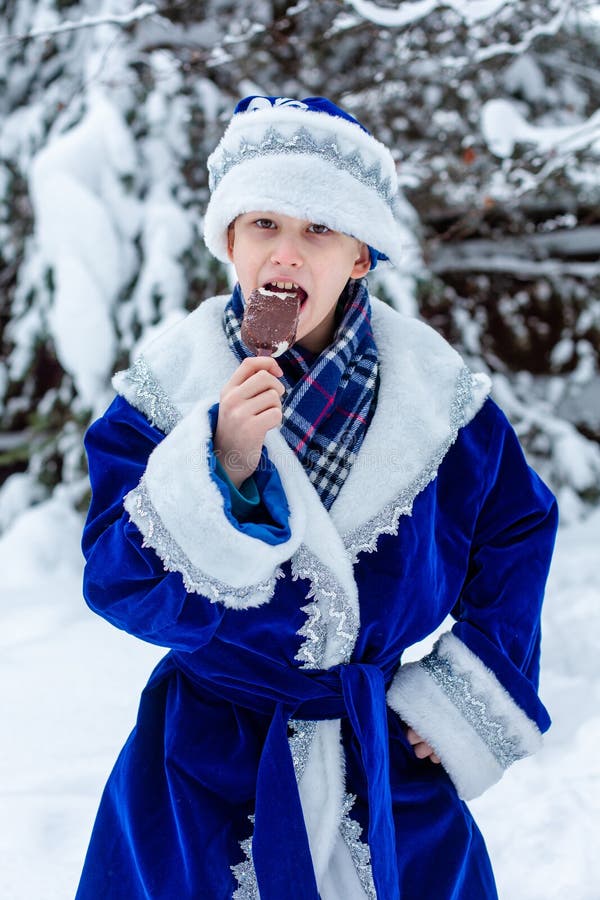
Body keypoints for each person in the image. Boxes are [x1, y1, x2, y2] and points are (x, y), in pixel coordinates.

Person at [75, 96, 558, 900]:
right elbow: (117, 586)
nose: (288, 253)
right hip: (204, 764)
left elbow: (520, 530)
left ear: (361, 257)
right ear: (229, 239)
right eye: (263, 224)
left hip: (383, 762)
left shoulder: (439, 400)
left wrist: (462, 698)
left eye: (319, 229)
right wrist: (219, 463)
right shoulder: (170, 389)